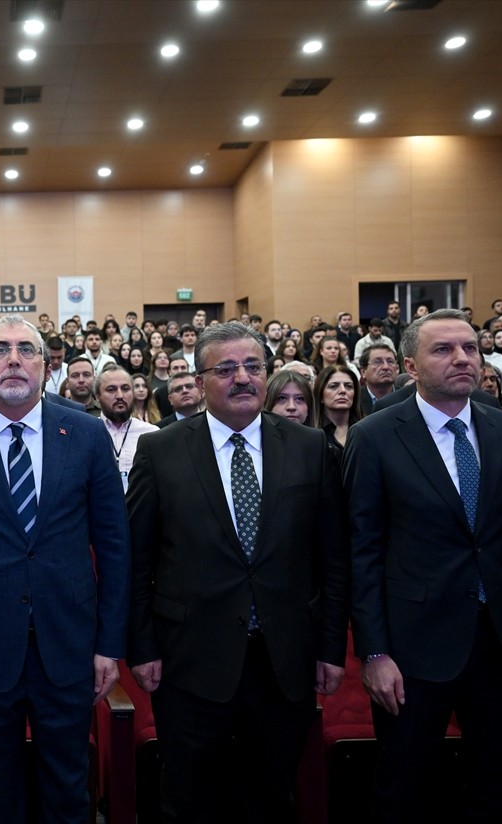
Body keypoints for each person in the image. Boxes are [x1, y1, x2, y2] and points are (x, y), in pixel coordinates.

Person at [343, 308, 502, 822]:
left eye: (470, 347)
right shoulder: (374, 436)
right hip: (414, 647)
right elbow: (363, 551)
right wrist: (373, 652)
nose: (462, 358)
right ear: (411, 366)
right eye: (443, 350)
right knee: (404, 786)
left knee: (499, 785)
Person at [127, 321, 349, 822]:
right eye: (226, 369)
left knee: (270, 795)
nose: (242, 378)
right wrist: (141, 648)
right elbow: (137, 561)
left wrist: (331, 648)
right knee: (188, 797)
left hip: (284, 659)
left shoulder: (310, 447)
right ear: (201, 379)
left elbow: (333, 561)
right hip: (190, 659)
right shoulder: (160, 450)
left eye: (253, 366)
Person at [0, 315, 129, 823]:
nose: (13, 359)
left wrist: (109, 645)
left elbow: (116, 545)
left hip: (70, 641)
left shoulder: (84, 433)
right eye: (0, 350)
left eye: (26, 350)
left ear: (46, 366)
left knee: (67, 787)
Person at [96, 365, 157, 493]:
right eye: (111, 389)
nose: (119, 395)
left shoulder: (152, 433)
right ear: (97, 397)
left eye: (125, 389)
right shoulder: (87, 433)